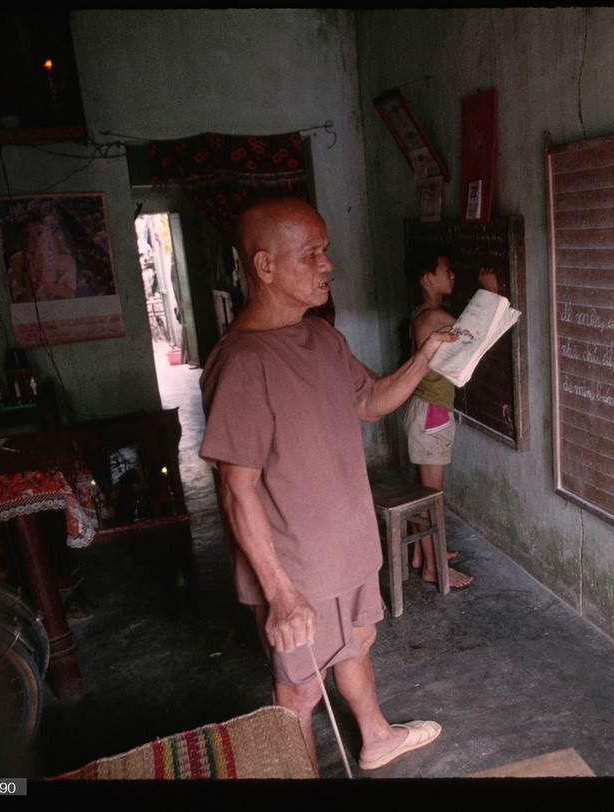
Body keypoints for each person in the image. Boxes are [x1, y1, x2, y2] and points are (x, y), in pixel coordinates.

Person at [199, 196, 458, 774]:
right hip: (298, 568)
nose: (327, 264)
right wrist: (282, 592)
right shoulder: (242, 362)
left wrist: (425, 357)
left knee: (358, 644)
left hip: (348, 545)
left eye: (327, 250)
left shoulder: (320, 336)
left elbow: (368, 401)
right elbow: (235, 491)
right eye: (311, 253)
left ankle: (376, 737)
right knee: (299, 690)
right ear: (265, 267)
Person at [401, 249, 498, 589]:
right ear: (428, 279)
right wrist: (492, 290)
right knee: (431, 496)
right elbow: (482, 332)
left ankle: (419, 554)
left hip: (425, 410)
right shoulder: (433, 318)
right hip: (432, 412)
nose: (452, 275)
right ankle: (433, 566)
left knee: (422, 492)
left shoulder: (425, 314)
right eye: (447, 270)